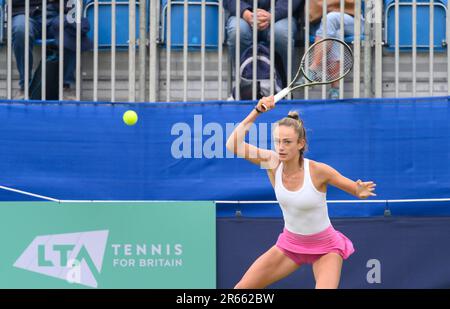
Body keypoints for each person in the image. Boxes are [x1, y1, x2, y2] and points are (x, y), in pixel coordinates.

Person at [225, 96, 376, 289]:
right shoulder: (272, 163)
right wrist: (257, 111)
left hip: (326, 248)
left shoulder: (318, 171)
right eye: (277, 141)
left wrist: (359, 190)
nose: (280, 147)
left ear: (300, 144)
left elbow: (354, 189)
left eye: (287, 142)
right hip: (289, 245)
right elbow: (233, 145)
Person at [11, 0, 91, 100]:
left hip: (58, 12)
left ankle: (66, 86)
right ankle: (24, 87)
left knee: (71, 26)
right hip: (26, 12)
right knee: (20, 29)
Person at [224, 0, 303, 93]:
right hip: (242, 14)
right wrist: (245, 13)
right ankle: (244, 84)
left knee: (280, 34)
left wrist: (272, 15)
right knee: (237, 32)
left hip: (281, 14)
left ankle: (284, 89)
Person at [309, 0, 363, 99]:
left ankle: (313, 68)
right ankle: (335, 88)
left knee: (331, 18)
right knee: (335, 32)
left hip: (353, 20)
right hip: (319, 21)